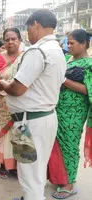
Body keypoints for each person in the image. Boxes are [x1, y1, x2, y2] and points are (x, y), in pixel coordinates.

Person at [0, 9, 66, 200]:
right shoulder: (57, 50)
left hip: (28, 123)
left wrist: (3, 84)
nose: (28, 34)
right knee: (37, 168)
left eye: (28, 29)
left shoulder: (38, 51)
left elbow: (18, 88)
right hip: (44, 118)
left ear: (35, 24)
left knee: (28, 172)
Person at [48, 29, 92, 199]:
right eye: (68, 42)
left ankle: (69, 183)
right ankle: (59, 176)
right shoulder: (67, 59)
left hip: (74, 112)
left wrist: (64, 80)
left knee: (69, 145)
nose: (69, 46)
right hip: (58, 107)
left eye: (72, 43)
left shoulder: (89, 64)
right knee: (56, 142)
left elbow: (88, 90)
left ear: (84, 44)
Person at [0, 28, 23, 179]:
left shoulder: (25, 58)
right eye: (7, 39)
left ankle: (16, 166)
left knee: (19, 133)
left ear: (20, 40)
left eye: (13, 39)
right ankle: (3, 164)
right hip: (1, 102)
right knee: (3, 134)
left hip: (20, 103)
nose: (10, 42)